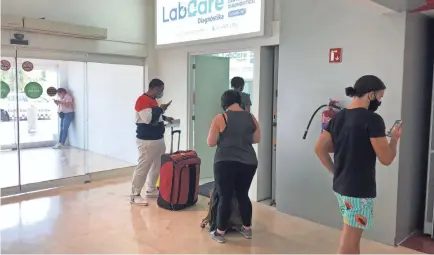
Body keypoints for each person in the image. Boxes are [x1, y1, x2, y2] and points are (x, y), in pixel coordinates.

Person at [314, 75, 402, 254]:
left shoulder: (338, 118)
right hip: (359, 190)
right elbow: (386, 159)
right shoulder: (372, 120)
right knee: (349, 242)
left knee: (351, 238)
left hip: (341, 186)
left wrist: (336, 171)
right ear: (370, 94)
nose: (380, 100)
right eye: (380, 96)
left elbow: (319, 149)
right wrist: (394, 139)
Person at [207, 89, 261, 243]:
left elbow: (210, 142)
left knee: (225, 196)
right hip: (248, 162)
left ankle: (220, 232)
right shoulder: (251, 117)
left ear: (224, 102)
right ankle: (247, 229)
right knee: (243, 195)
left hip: (225, 162)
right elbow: (256, 139)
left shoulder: (221, 117)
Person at [130, 78, 173, 206]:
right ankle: (135, 194)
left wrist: (165, 117)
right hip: (146, 141)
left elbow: (155, 116)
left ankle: (151, 188)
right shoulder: (142, 100)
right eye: (161, 90)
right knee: (143, 167)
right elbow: (148, 119)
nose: (162, 93)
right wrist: (161, 109)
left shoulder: (153, 101)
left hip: (158, 138)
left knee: (157, 165)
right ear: (155, 88)